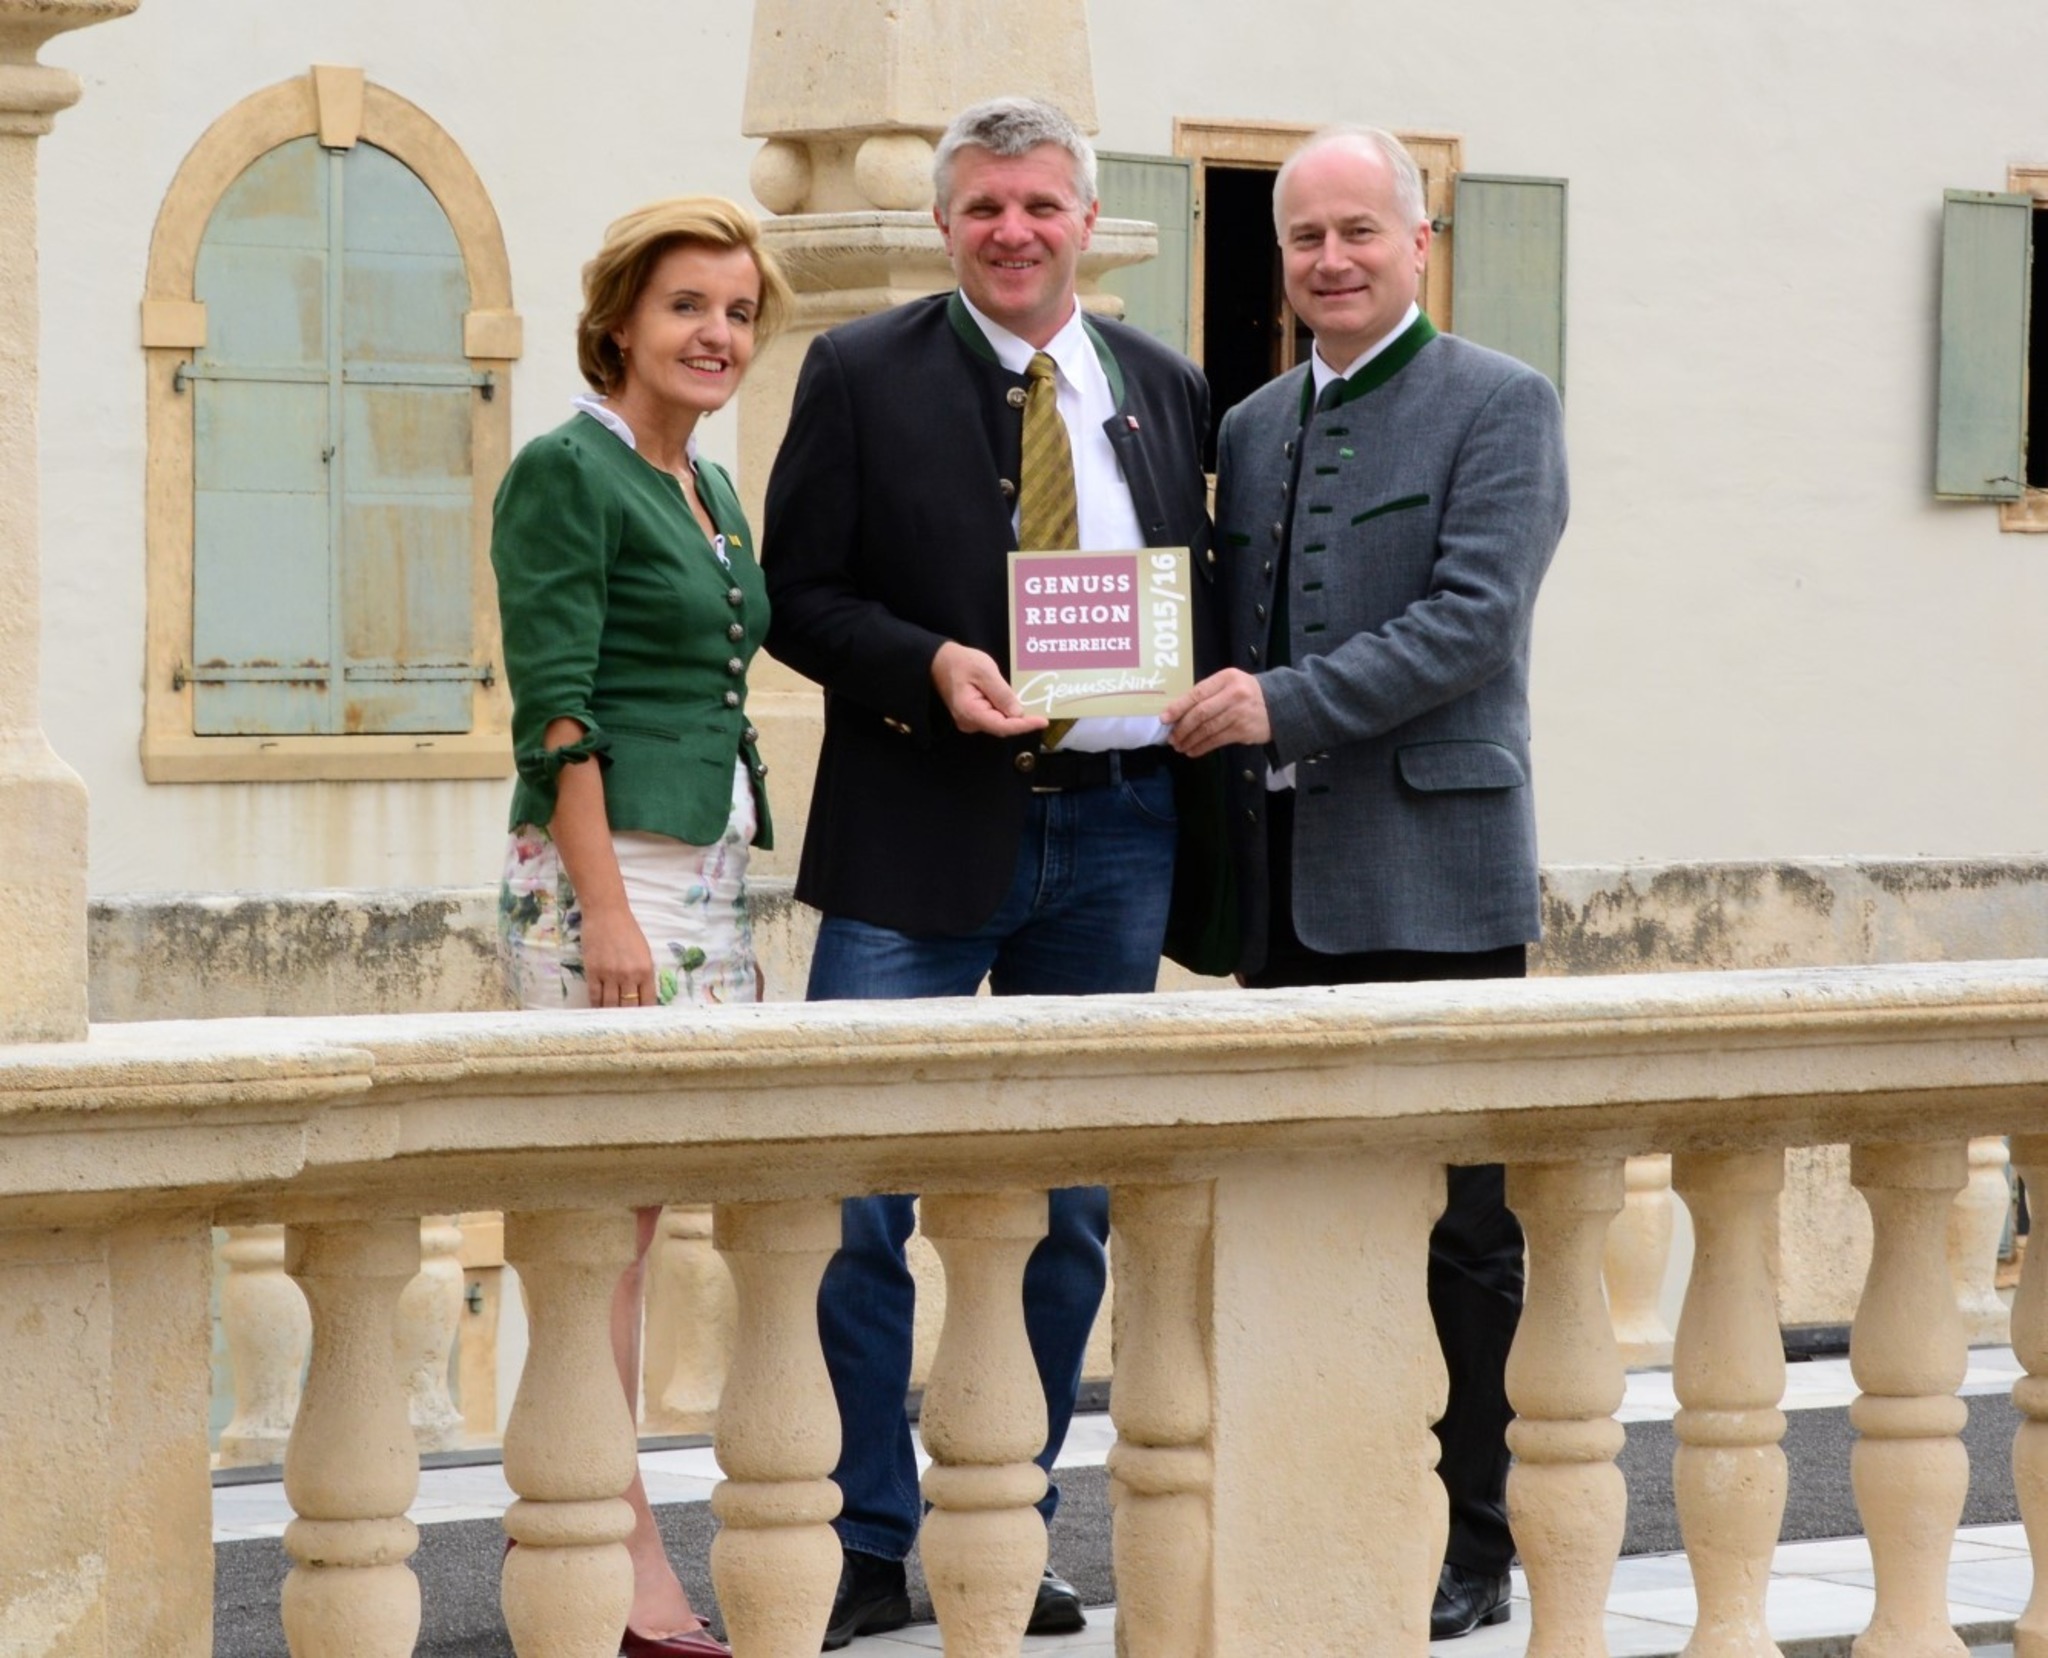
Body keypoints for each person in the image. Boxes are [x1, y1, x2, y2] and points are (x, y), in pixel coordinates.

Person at [761, 95, 1213, 1650]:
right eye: (983, 209)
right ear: (947, 227)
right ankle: (873, 1537)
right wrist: (929, 662)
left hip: (1117, 833)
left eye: (1039, 204)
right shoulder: (857, 371)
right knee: (859, 1202)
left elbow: (1195, 603)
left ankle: (1003, 1519)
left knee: (1068, 1205)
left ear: (1088, 220)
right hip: (912, 833)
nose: (1012, 231)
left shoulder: (1163, 386)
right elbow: (797, 598)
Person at [1163, 125, 1568, 1641]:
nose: (1331, 259)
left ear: (1419, 240)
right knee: (1303, 1219)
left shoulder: (1503, 404)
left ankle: (1474, 1539)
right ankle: (1324, 1499)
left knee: (1462, 1235)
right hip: (1281, 894)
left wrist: (1281, 703)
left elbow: (1475, 621)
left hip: (1438, 876)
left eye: (1359, 231)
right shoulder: (1255, 424)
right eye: (1305, 238)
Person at [492, 195, 792, 1658]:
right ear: (621, 319)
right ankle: (618, 1566)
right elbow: (560, 706)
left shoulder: (711, 491)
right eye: (688, 306)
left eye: (738, 312)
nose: (717, 335)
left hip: (713, 879)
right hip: (609, 884)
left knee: (637, 1222)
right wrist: (606, 908)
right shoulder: (567, 469)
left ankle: (592, 1529)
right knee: (595, 1233)